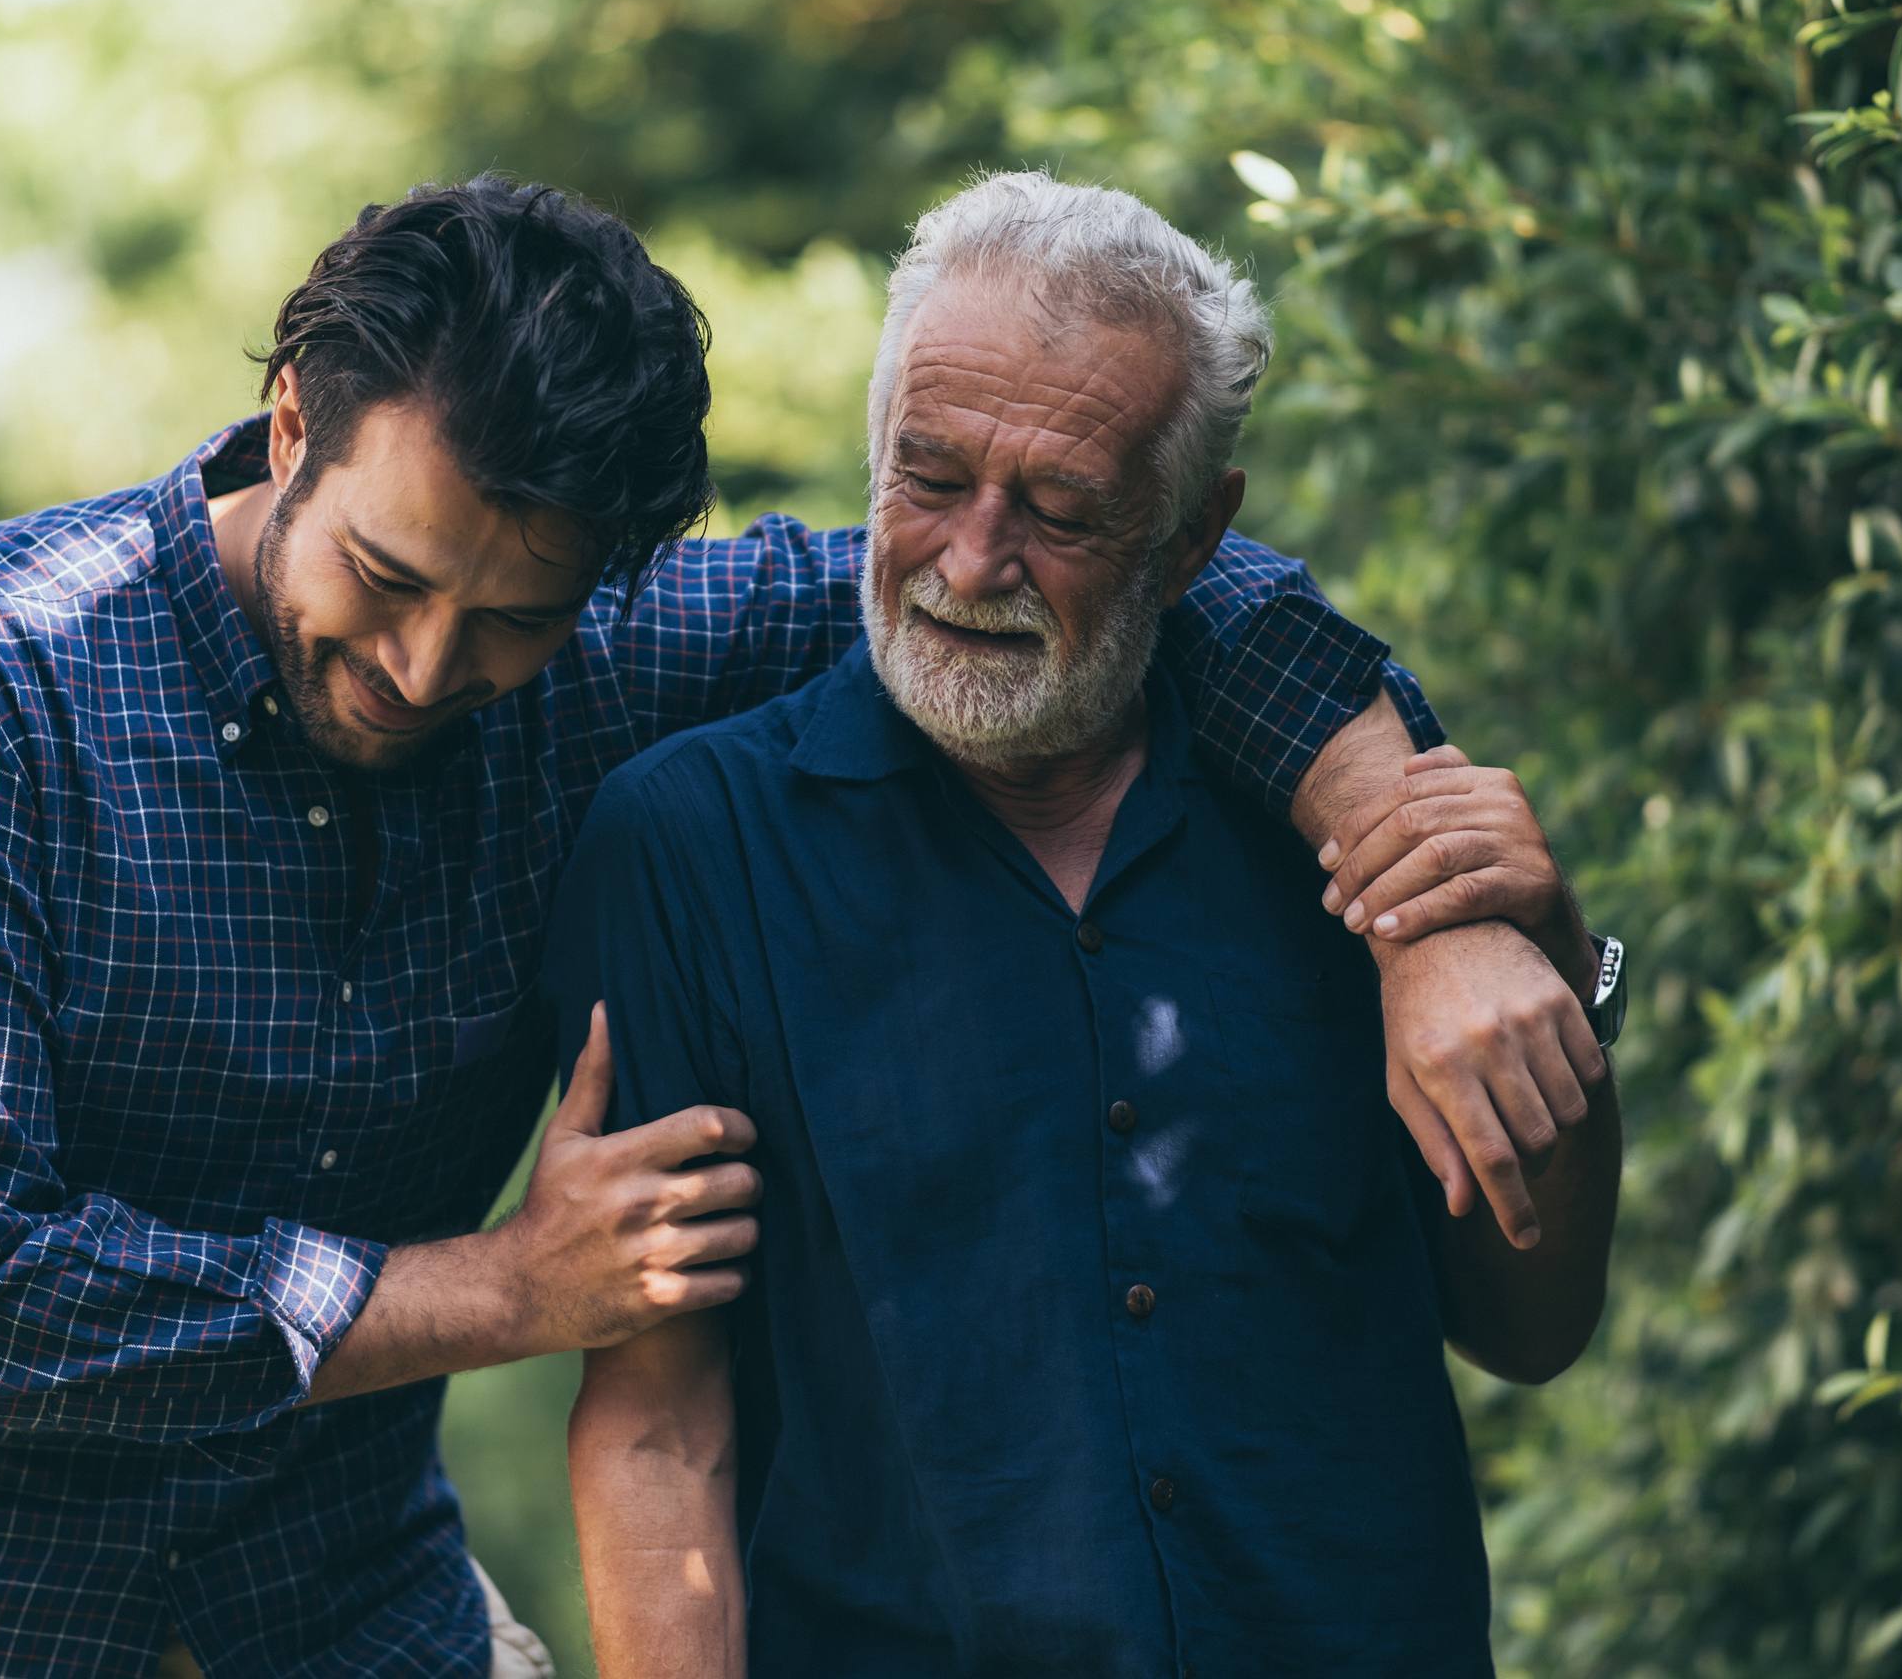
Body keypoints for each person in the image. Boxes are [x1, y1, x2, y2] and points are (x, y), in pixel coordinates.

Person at [0, 176, 1598, 1677]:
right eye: (386, 575)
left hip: (334, 1623)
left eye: (510, 619)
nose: (428, 667)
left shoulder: (604, 653)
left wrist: (1416, 882)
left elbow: (1150, 581)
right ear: (288, 428)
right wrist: (511, 1288)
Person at [553, 172, 1627, 1678]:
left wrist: (1549, 970)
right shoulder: (690, 845)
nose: (972, 563)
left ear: (1194, 540)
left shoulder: (1360, 825)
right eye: (926, 480)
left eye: (1060, 513)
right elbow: (666, 1422)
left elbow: (1531, 1327)